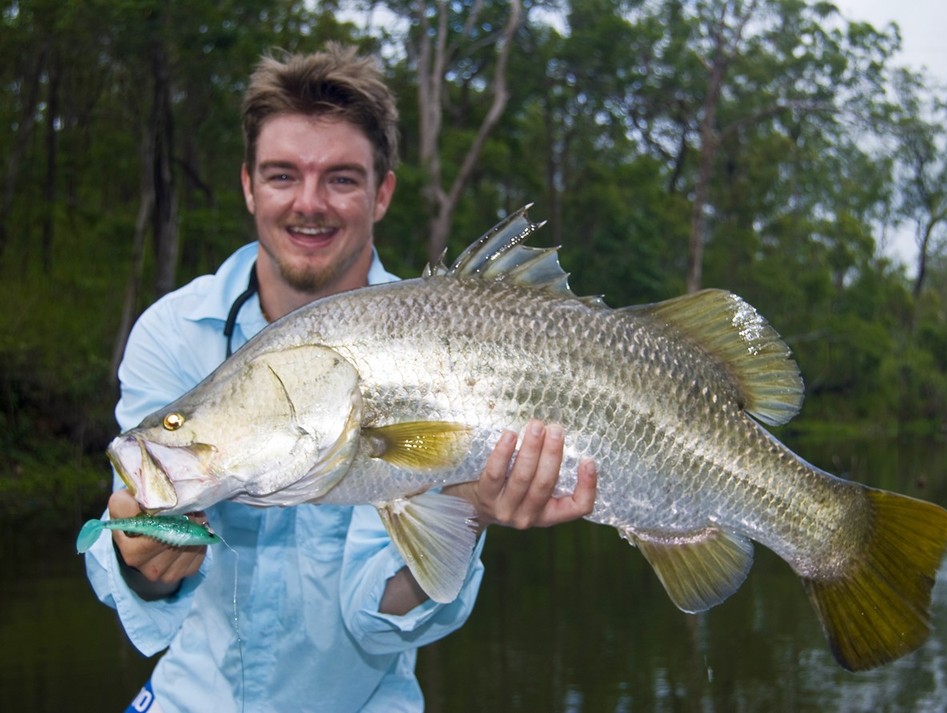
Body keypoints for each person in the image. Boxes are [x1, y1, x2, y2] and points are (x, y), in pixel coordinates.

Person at [84, 42, 597, 712]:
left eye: (342, 178)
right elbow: (144, 588)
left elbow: (373, 616)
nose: (310, 203)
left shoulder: (434, 346)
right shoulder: (174, 332)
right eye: (281, 175)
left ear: (383, 192)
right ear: (247, 184)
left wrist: (469, 511)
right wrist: (136, 553)